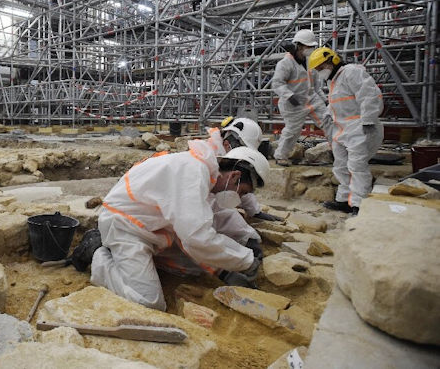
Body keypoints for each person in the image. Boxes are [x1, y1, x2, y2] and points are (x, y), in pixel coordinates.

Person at [89, 131, 270, 311]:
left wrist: (246, 240)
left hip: (153, 230)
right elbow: (197, 237)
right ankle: (101, 257)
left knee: (191, 269)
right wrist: (246, 261)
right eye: (242, 192)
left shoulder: (206, 175)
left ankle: (138, 262)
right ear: (235, 176)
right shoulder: (193, 173)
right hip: (126, 228)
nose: (239, 198)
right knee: (149, 302)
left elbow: (216, 216)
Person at [308, 46, 383, 215]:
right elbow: (338, 104)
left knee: (357, 167)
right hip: (342, 131)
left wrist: (368, 120)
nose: (320, 72)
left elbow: (370, 95)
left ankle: (358, 203)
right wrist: (327, 115)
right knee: (341, 166)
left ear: (332, 61)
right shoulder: (334, 81)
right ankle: (344, 200)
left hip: (359, 128)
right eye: (317, 69)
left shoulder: (351, 72)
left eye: (321, 68)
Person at [272, 29, 331, 166]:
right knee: (293, 131)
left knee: (329, 121)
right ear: (298, 46)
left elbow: (316, 86)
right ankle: (280, 156)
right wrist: (289, 95)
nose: (310, 49)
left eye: (312, 46)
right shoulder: (285, 63)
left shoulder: (311, 61)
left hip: (311, 98)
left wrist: (324, 99)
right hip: (293, 103)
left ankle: (341, 151)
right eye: (308, 46)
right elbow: (277, 83)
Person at [220, 117, 283, 222]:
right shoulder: (208, 159)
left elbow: (239, 187)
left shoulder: (225, 155)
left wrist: (255, 211)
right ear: (227, 143)